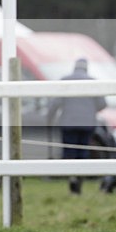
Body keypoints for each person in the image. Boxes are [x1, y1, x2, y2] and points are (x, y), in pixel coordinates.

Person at [47, 58, 107, 195]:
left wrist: (49, 119)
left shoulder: (65, 80)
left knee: (69, 151)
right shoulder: (93, 82)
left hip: (68, 123)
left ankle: (72, 179)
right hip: (87, 124)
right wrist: (90, 110)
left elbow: (55, 103)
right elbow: (102, 104)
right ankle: (80, 179)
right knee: (83, 151)